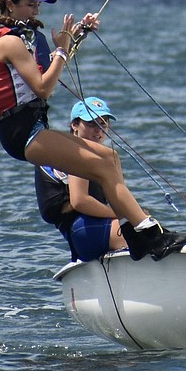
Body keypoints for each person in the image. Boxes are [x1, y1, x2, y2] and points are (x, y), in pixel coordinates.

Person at [0, 0, 186, 261]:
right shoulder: (10, 43)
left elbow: (48, 71)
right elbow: (44, 88)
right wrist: (61, 49)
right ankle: (150, 236)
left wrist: (75, 37)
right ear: (10, 5)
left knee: (108, 158)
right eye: (30, 4)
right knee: (103, 167)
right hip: (22, 133)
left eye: (38, 5)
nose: (36, 10)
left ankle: (135, 233)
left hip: (28, 128)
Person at [35, 97, 129, 261]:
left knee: (150, 228)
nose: (99, 130)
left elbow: (120, 198)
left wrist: (135, 214)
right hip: (83, 231)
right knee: (141, 234)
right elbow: (79, 201)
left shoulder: (108, 157)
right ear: (74, 125)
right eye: (92, 123)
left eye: (103, 123)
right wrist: (123, 214)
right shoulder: (76, 153)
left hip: (98, 227)